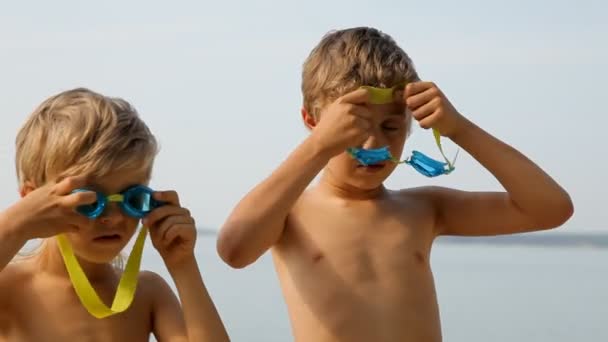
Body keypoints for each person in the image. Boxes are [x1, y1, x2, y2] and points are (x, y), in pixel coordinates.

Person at [217, 27, 573, 341]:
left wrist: (458, 128)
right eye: (353, 128)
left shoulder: (425, 209)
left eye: (391, 128)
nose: (374, 145)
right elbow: (234, 250)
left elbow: (551, 208)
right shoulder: (289, 214)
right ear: (313, 120)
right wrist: (317, 147)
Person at [0, 88, 229, 342]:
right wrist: (13, 225)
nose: (114, 218)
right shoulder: (9, 288)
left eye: (132, 198)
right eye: (88, 200)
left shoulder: (148, 295)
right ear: (33, 200)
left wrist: (184, 266)